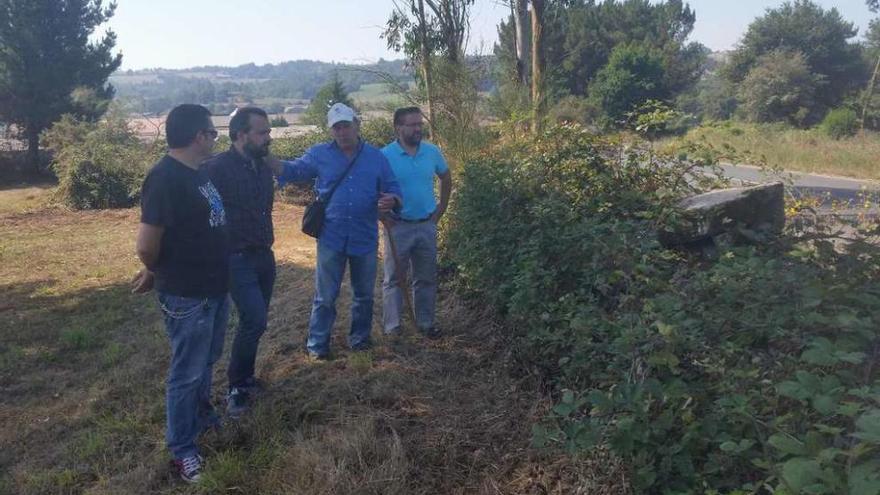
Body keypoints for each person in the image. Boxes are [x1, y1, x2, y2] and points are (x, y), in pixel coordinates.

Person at [131, 104, 227, 483]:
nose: (214, 139)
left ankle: (202, 419)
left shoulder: (196, 173)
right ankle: (182, 451)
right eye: (212, 133)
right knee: (186, 374)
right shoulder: (164, 178)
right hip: (188, 295)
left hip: (214, 288)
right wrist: (155, 270)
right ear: (198, 136)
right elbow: (146, 245)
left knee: (205, 362)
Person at [270, 103, 401, 359]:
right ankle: (317, 347)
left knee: (363, 296)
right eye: (336, 128)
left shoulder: (376, 157)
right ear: (331, 130)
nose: (342, 132)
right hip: (331, 236)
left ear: (357, 125)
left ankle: (360, 341)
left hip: (364, 236)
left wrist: (392, 200)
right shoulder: (319, 154)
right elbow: (294, 170)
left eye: (346, 126)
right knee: (325, 296)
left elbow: (393, 187)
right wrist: (265, 157)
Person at [203, 107, 276, 418]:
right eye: (262, 132)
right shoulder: (215, 169)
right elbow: (199, 212)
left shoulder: (261, 166)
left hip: (264, 256)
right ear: (240, 135)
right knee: (255, 320)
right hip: (236, 258)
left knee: (254, 323)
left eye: (268, 132)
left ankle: (245, 378)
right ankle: (236, 387)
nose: (268, 138)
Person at [380, 107, 452, 338]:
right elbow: (372, 188)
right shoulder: (384, 156)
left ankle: (425, 324)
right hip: (397, 226)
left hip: (426, 225)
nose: (418, 128)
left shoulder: (431, 152)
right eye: (412, 125)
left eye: (419, 124)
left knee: (426, 278)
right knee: (394, 279)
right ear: (398, 128)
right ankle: (393, 329)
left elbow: (446, 176)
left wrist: (440, 209)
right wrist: (382, 216)